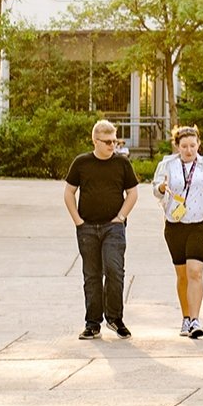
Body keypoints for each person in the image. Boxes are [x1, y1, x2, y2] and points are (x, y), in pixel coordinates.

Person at [63, 119, 138, 340]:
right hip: (87, 227)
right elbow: (69, 193)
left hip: (113, 228)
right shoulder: (81, 163)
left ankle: (115, 319)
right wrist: (78, 221)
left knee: (114, 271)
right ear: (95, 141)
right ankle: (92, 323)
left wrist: (121, 216)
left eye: (115, 141)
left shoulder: (122, 164)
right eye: (107, 142)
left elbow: (133, 193)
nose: (112, 146)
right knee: (92, 275)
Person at [153, 126, 203, 338]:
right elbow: (156, 190)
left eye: (192, 146)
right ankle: (185, 318)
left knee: (195, 271)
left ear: (198, 144)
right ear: (177, 146)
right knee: (182, 274)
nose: (188, 150)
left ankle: (195, 320)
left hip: (201, 223)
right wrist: (160, 188)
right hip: (175, 224)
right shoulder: (167, 164)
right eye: (184, 146)